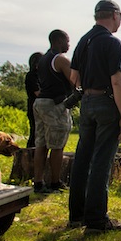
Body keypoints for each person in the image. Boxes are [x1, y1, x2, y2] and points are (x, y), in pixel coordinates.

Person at [67, 0, 121, 234]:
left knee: (83, 159)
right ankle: (96, 219)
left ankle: (77, 214)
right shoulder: (112, 43)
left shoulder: (84, 41)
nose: (119, 23)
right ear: (114, 15)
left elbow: (74, 77)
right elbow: (118, 80)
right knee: (102, 161)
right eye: (119, 18)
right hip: (106, 102)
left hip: (87, 101)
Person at [32, 30, 72, 194]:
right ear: (59, 40)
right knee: (57, 146)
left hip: (40, 103)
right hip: (54, 105)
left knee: (41, 144)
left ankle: (38, 182)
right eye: (67, 41)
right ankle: (55, 182)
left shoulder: (43, 59)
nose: (68, 44)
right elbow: (75, 79)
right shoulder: (60, 59)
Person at [24, 52, 42, 148]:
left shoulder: (39, 75)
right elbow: (37, 92)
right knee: (35, 132)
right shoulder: (31, 76)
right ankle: (30, 152)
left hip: (38, 106)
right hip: (33, 106)